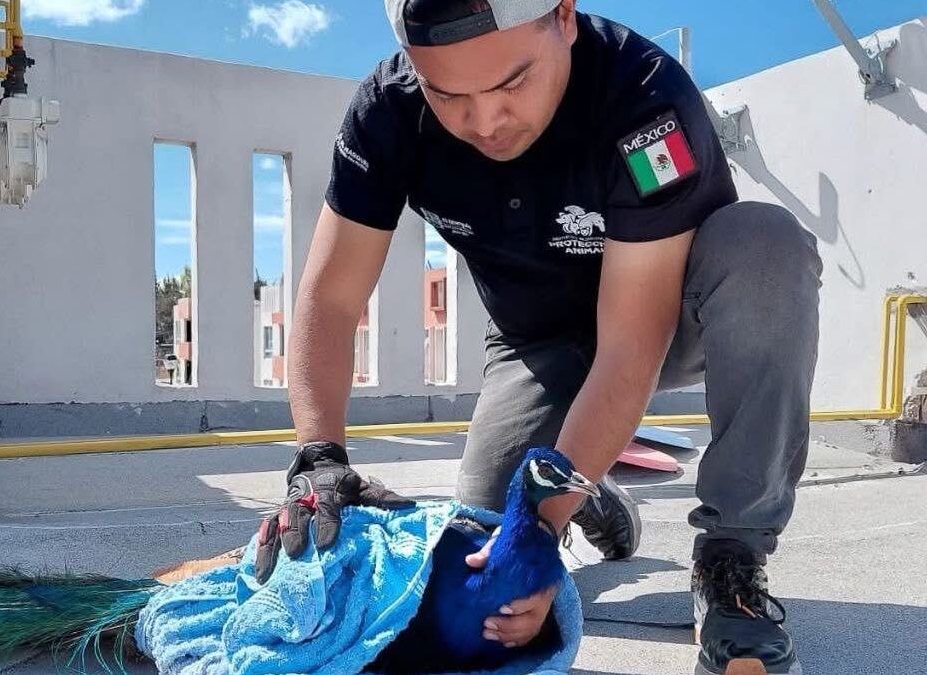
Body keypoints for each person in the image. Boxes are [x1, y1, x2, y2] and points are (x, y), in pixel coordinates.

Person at [255, 2, 823, 674]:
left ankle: (732, 555)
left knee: (766, 248)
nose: (485, 123)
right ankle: (590, 490)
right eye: (448, 95)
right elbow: (331, 297)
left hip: (664, 320)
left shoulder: (644, 101)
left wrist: (542, 528)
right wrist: (319, 457)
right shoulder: (387, 113)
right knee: (480, 575)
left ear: (562, 15)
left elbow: (627, 349)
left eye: (511, 83)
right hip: (535, 347)